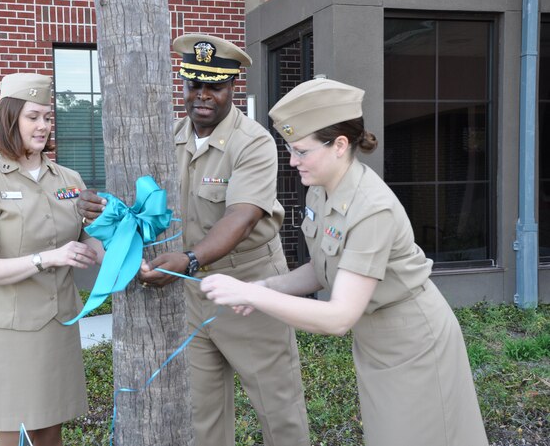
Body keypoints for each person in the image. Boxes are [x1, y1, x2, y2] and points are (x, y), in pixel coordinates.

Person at [200, 77, 490, 446]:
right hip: (377, 342)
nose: (292, 161)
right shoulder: (322, 190)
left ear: (339, 145)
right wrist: (263, 286)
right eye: (290, 149)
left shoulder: (372, 209)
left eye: (302, 151)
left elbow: (338, 318)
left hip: (414, 344)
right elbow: (323, 268)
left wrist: (254, 297)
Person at [77, 34, 310, 446]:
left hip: (250, 289)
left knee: (278, 409)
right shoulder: (169, 137)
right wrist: (104, 210)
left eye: (214, 86)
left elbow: (241, 215)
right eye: (193, 84)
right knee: (202, 415)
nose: (202, 96)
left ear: (231, 87)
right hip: (191, 291)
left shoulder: (252, 142)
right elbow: (143, 206)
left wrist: (188, 258)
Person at [0, 73, 103, 446]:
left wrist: (116, 231)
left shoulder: (68, 179)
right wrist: (48, 257)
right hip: (10, 328)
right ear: (10, 119)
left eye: (48, 117)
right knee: (19, 434)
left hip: (57, 323)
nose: (42, 126)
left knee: (50, 431)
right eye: (32, 117)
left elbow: (93, 245)